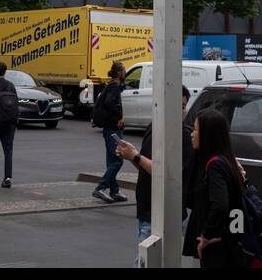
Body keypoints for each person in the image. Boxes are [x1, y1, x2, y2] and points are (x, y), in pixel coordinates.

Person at [116, 86, 194, 256]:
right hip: (146, 212)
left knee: (147, 261)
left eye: (183, 106)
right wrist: (131, 155)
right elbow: (146, 168)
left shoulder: (184, 137)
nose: (182, 111)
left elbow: (166, 174)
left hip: (165, 216)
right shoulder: (154, 128)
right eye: (178, 106)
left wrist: (136, 156)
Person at [184, 109, 249, 268]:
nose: (192, 134)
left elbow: (220, 204)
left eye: (196, 129)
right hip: (230, 245)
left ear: (208, 135)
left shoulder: (215, 165)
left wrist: (207, 235)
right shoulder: (227, 161)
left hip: (218, 250)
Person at [91, 61, 128, 204]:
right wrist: (120, 116)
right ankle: (101, 188)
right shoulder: (114, 87)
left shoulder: (113, 85)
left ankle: (114, 191)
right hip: (113, 129)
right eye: (124, 70)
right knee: (118, 160)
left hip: (109, 128)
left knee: (111, 161)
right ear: (119, 73)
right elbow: (109, 103)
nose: (125, 73)